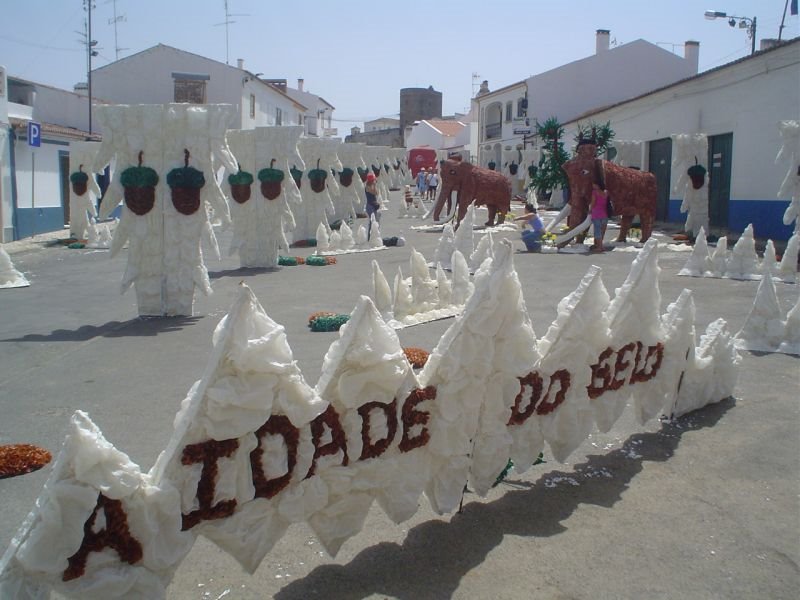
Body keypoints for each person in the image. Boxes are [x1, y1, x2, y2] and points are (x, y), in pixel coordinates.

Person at [589, 181, 609, 252]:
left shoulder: (594, 192)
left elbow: (593, 202)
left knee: (597, 231)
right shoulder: (606, 192)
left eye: (594, 184)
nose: (593, 185)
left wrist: (590, 210)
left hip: (596, 213)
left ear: (598, 185)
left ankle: (599, 247)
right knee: (602, 231)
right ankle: (600, 245)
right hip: (605, 213)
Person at [365, 172, 380, 237]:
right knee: (372, 222)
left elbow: (377, 193)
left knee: (375, 221)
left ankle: (375, 236)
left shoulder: (372, 186)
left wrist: (374, 185)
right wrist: (374, 185)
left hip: (373, 205)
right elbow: (373, 192)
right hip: (369, 206)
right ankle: (370, 237)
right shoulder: (367, 187)